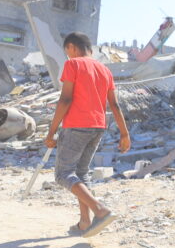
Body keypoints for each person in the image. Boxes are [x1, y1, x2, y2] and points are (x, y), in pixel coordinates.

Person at [45, 32, 131, 237]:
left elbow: (65, 99)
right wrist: (125, 134)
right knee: (81, 174)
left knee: (63, 174)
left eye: (67, 52)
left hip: (76, 125)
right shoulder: (104, 70)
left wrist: (51, 131)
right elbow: (115, 104)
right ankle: (85, 222)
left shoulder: (73, 65)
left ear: (72, 48)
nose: (68, 56)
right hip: (98, 126)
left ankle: (99, 210)